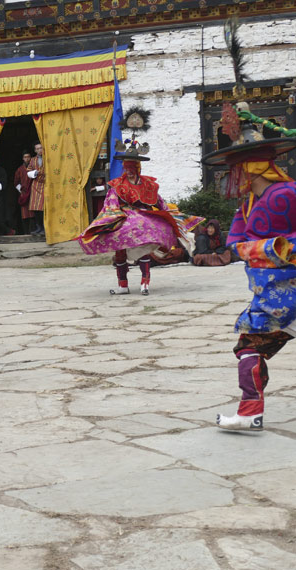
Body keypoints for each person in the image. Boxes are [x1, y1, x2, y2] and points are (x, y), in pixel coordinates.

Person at [201, 100, 296, 431]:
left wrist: (273, 248)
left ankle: (250, 412)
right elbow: (235, 243)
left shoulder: (287, 193)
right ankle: (250, 411)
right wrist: (251, 248)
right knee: (248, 347)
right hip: (271, 292)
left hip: (286, 295)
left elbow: (253, 244)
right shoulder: (249, 205)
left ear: (253, 166)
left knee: (248, 345)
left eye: (237, 167)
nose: (233, 175)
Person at [78, 137, 202, 295]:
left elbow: (160, 204)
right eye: (126, 168)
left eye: (132, 168)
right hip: (123, 218)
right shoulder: (117, 185)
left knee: (144, 246)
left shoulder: (148, 185)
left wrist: (170, 216)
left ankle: (145, 282)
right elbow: (111, 204)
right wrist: (114, 216)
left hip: (144, 219)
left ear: (137, 168)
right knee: (120, 249)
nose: (129, 171)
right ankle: (123, 284)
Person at [28, 143, 47, 236]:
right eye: (37, 149)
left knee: (43, 207)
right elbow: (28, 171)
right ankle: (38, 227)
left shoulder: (48, 159)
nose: (39, 150)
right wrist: (35, 172)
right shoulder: (32, 160)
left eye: (41, 148)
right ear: (35, 150)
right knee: (35, 207)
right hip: (35, 184)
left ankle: (44, 227)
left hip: (45, 184)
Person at [14, 151, 34, 234]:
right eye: (25, 157)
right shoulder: (20, 169)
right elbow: (16, 182)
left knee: (33, 213)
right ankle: (26, 232)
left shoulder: (34, 168)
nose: (27, 159)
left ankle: (33, 231)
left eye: (28, 157)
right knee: (24, 214)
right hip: (24, 194)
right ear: (23, 158)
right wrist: (21, 191)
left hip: (33, 193)